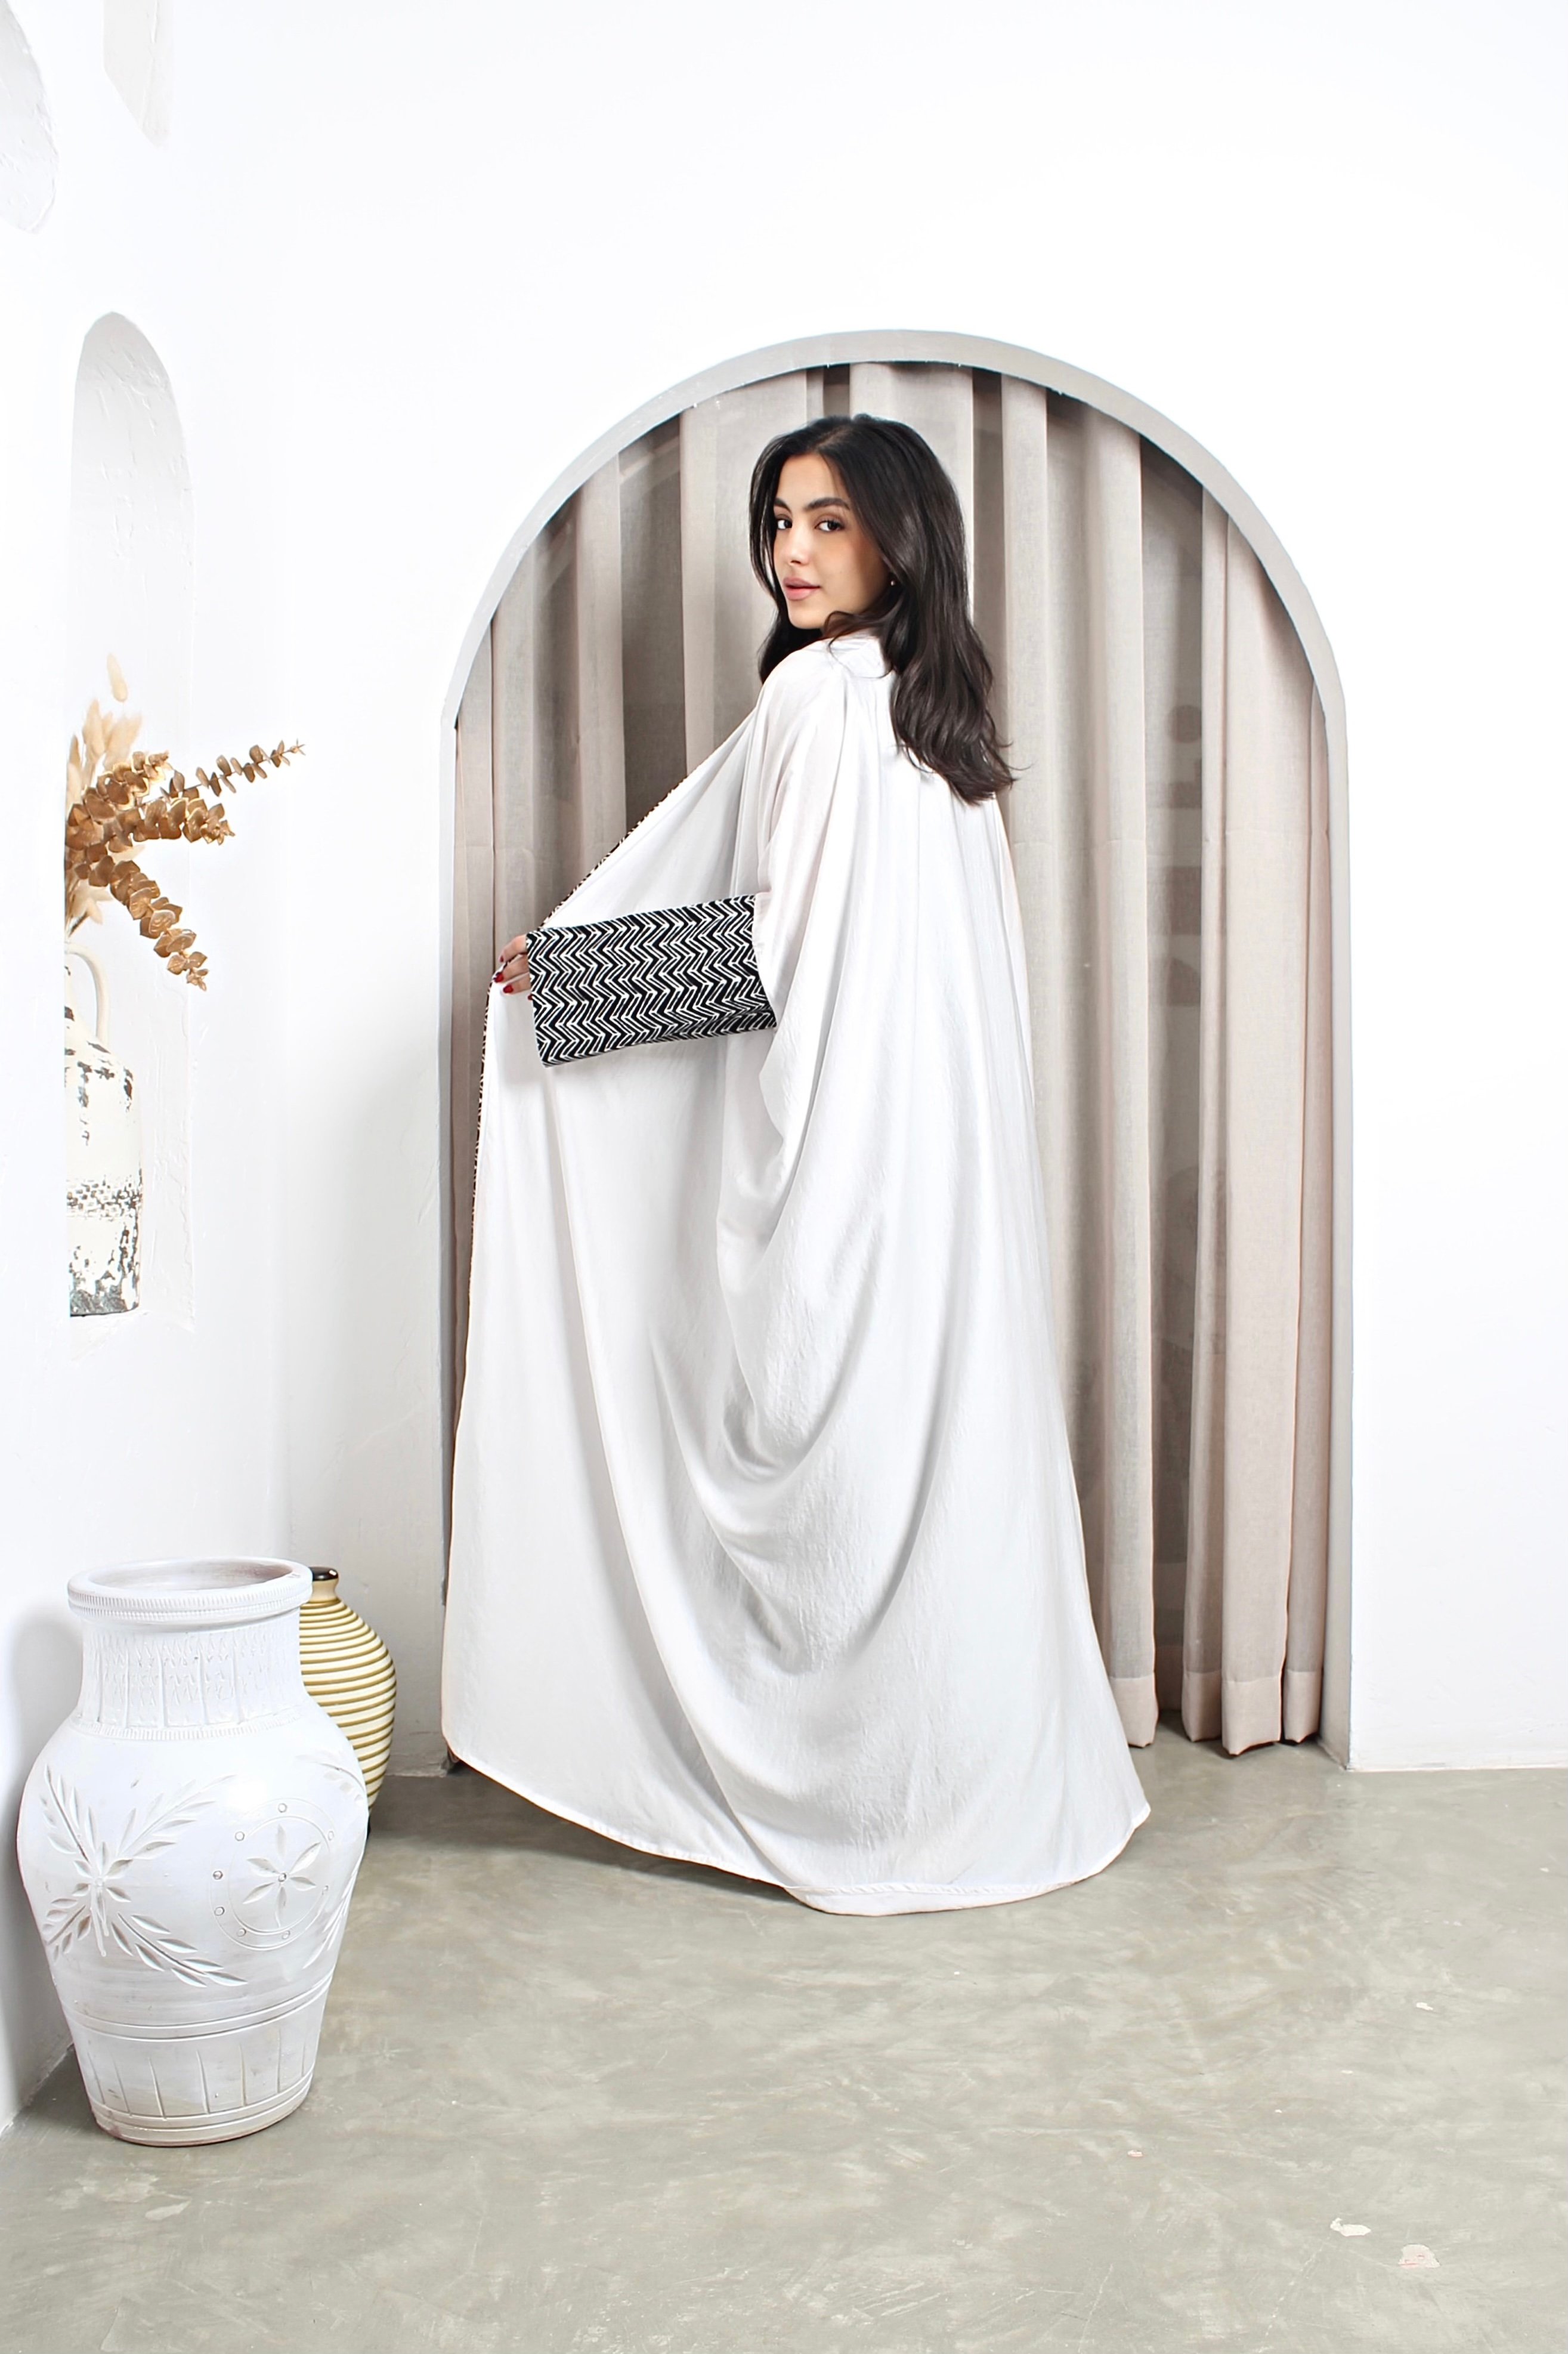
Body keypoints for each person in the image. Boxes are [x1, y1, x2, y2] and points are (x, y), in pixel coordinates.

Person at [442, 414, 1148, 1914]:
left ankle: (855, 1799)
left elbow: (783, 949)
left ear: (901, 533)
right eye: (779, 521)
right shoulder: (940, 726)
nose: (792, 552)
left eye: (828, 521)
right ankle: (966, 1784)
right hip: (945, 1183)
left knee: (846, 1469)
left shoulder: (824, 701)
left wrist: (575, 978)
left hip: (851, 1170)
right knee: (934, 1467)